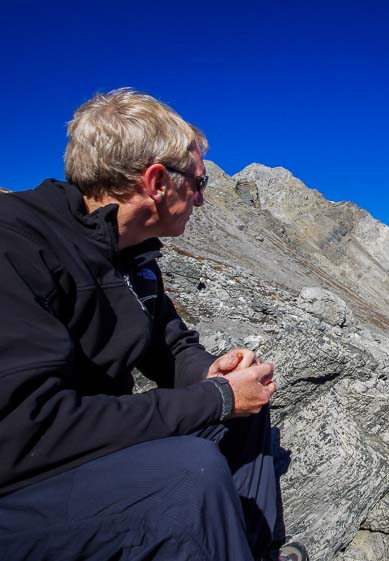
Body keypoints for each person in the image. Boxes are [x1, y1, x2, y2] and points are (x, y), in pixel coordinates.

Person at [0, 89, 304, 561]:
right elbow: (30, 428)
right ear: (158, 181)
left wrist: (214, 373)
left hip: (76, 454)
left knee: (249, 407)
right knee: (191, 472)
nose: (201, 201)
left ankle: (253, 551)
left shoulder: (130, 254)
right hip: (20, 484)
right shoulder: (16, 245)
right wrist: (216, 398)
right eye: (199, 184)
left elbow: (170, 346)